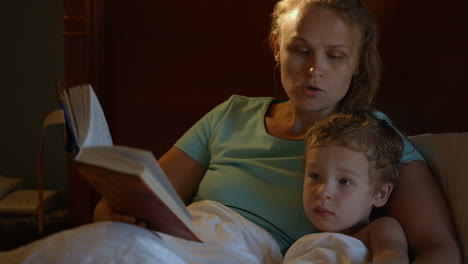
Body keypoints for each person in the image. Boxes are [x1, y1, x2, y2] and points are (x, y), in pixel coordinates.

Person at [0, 0, 461, 263]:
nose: (314, 70)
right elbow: (130, 202)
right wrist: (114, 213)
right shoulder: (230, 115)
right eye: (300, 50)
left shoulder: (372, 137)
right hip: (180, 243)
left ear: (358, 63)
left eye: (335, 56)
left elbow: (438, 247)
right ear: (277, 50)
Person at [284, 110, 409, 263]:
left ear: (380, 194)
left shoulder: (380, 230)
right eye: (315, 176)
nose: (323, 192)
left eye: (344, 182)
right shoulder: (304, 243)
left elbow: (392, 257)